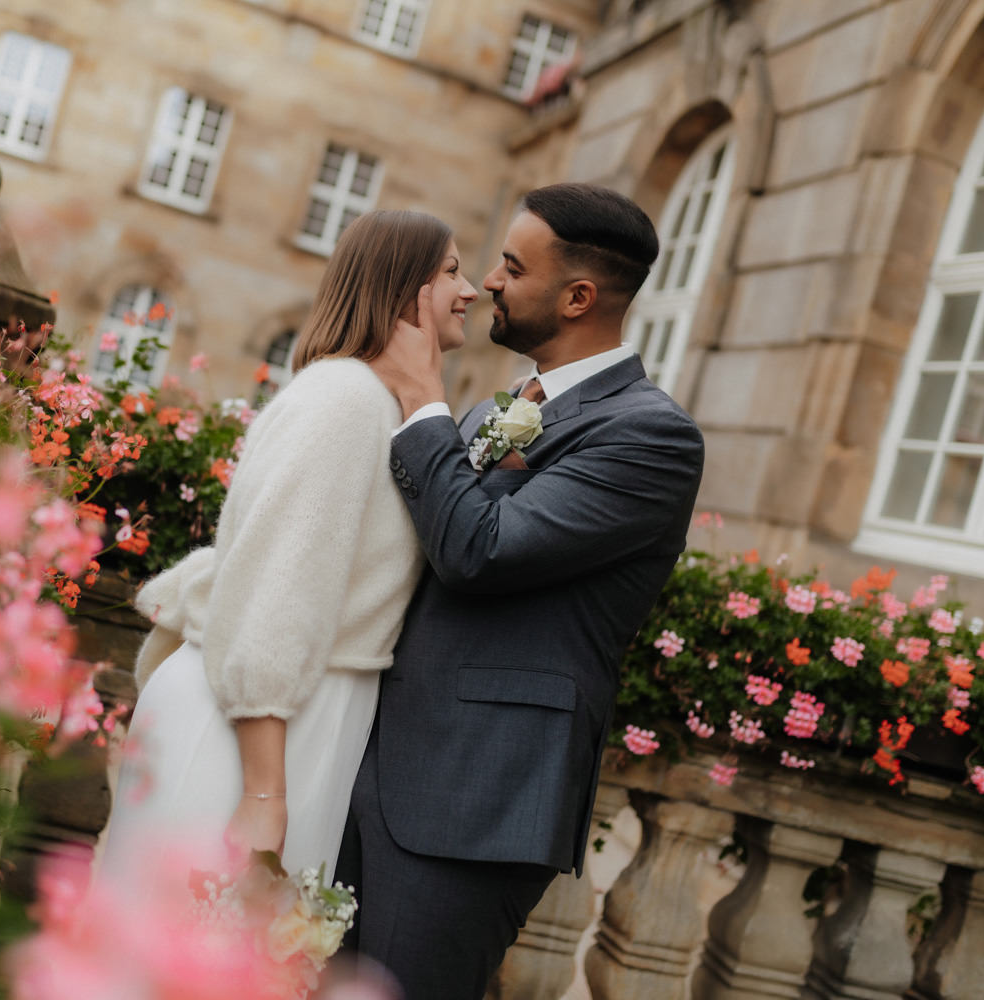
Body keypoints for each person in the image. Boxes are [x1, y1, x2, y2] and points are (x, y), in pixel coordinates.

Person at [334, 183, 704, 998]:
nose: (489, 282)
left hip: (472, 799)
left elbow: (481, 550)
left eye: (510, 265)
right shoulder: (493, 412)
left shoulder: (651, 435)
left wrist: (423, 398)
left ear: (578, 296)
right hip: (369, 763)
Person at [95, 210, 478, 882]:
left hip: (301, 719)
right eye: (450, 272)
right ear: (402, 289)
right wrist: (265, 794)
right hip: (259, 735)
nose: (470, 289)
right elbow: (276, 600)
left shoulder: (376, 404)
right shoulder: (346, 401)